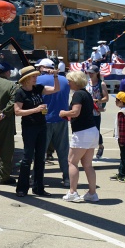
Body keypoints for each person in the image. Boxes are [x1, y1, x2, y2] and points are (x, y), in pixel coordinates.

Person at [14, 65, 62, 197]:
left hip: (41, 126)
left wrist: (55, 76)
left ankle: (38, 188)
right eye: (33, 76)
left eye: (36, 76)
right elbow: (17, 111)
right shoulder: (20, 92)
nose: (36, 78)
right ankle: (22, 188)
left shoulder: (38, 88)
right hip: (29, 127)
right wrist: (35, 110)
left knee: (40, 158)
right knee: (27, 158)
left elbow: (56, 89)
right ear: (26, 79)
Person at [59, 70, 100, 203]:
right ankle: (92, 193)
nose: (68, 83)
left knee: (72, 162)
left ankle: (73, 192)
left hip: (82, 132)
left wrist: (64, 113)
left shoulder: (77, 94)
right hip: (92, 130)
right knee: (88, 164)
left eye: (70, 81)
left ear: (75, 81)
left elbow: (75, 112)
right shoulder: (86, 93)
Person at [38, 58, 71, 189]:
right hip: (61, 119)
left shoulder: (38, 80)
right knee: (63, 151)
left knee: (40, 151)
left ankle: (37, 178)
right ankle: (67, 178)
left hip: (44, 119)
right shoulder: (65, 80)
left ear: (42, 68)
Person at [86, 65, 108, 158]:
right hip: (86, 110)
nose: (90, 74)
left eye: (92, 73)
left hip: (95, 111)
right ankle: (87, 150)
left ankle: (100, 145)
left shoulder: (101, 84)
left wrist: (97, 101)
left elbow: (106, 98)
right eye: (89, 72)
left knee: (95, 131)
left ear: (97, 73)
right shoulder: (87, 82)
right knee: (86, 130)